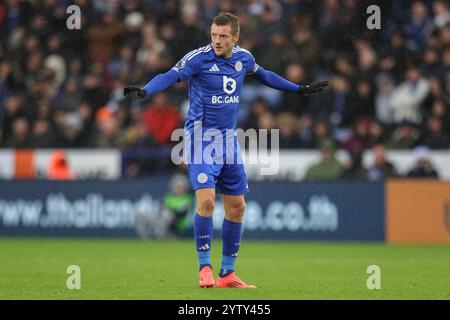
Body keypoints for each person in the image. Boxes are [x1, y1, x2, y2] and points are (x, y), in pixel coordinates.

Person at [124, 12, 328, 288]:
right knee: (206, 201)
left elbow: (265, 75)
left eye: (222, 36)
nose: (217, 41)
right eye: (214, 35)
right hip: (200, 140)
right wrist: (146, 91)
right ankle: (204, 267)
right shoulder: (198, 58)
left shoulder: (244, 58)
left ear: (235, 37)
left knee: (237, 207)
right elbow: (170, 75)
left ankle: (227, 274)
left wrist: (300, 89)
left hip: (229, 142)